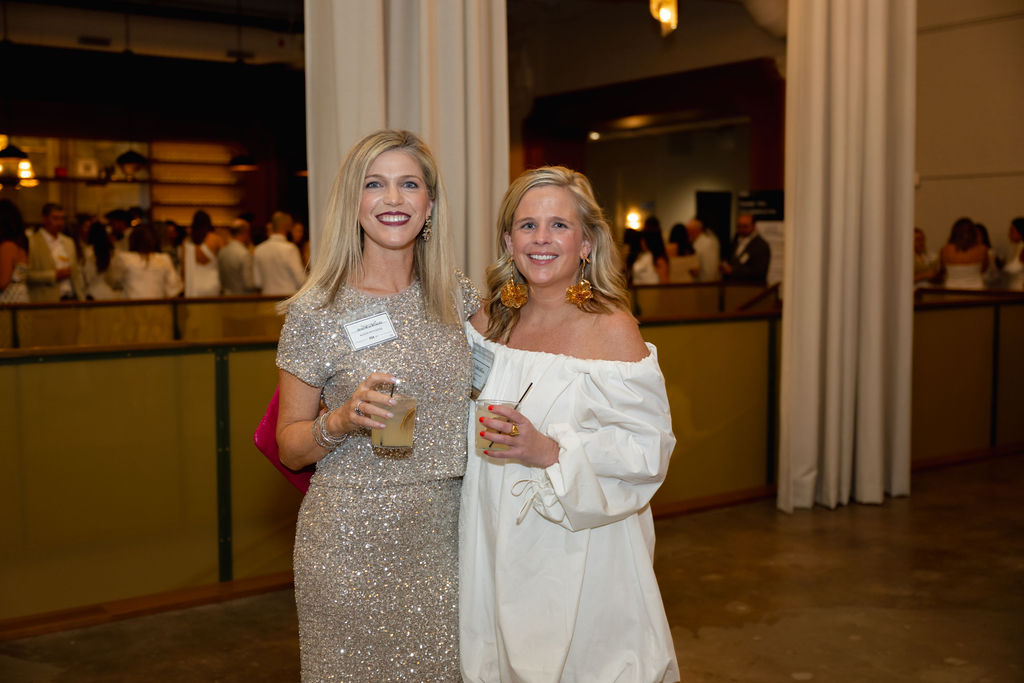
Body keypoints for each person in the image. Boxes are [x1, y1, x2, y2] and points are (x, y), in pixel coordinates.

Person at [460, 166, 678, 682]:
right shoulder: (488, 323)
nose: (541, 238)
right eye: (527, 225)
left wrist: (549, 450)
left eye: (559, 225)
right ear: (508, 242)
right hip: (490, 535)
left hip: (578, 547)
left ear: (586, 243)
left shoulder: (612, 329)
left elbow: (647, 452)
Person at [275, 129, 478, 681]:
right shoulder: (316, 310)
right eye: (374, 184)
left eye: (409, 184)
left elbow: (508, 375)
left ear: (429, 205)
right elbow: (289, 447)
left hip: (448, 538)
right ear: (354, 202)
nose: (393, 199)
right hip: (348, 543)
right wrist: (340, 421)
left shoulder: (457, 297)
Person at [27, 203, 86, 302]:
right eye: (55, 218)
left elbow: (76, 274)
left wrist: (81, 297)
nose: (60, 223)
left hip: (71, 297)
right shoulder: (32, 243)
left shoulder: (68, 242)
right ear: (45, 219)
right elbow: (27, 275)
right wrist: (54, 275)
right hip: (47, 299)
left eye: (62, 218)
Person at [106, 224, 183, 299]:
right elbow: (174, 289)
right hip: (157, 305)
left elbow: (112, 281)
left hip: (132, 305)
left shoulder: (124, 259)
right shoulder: (163, 259)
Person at [253, 210, 306, 295]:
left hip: (266, 298)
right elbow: (301, 280)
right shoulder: (290, 249)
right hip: (287, 297)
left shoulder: (259, 249)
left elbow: (257, 282)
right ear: (288, 227)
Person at [720, 212, 771, 283]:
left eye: (745, 226)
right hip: (734, 285)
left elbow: (759, 272)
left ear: (753, 226)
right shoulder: (736, 240)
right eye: (739, 226)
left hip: (751, 287)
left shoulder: (761, 245)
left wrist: (733, 271)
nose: (741, 229)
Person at [940, 217, 988, 290]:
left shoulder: (945, 250)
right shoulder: (981, 249)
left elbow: (943, 269)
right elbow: (984, 269)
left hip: (952, 288)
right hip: (976, 288)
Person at [182, 210, 222, 297]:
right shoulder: (215, 239)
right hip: (213, 285)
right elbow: (224, 262)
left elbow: (183, 269)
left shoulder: (186, 243)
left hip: (193, 286)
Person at [0, 199, 30, 303]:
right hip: (19, 297)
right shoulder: (19, 244)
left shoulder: (7, 246)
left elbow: (3, 282)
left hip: (9, 299)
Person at [218, 216, 257, 295]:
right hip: (242, 297)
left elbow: (220, 279)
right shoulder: (244, 254)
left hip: (226, 296)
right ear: (245, 232)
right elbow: (248, 284)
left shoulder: (222, 252)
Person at [81, 220, 119, 300]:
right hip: (108, 292)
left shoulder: (88, 252)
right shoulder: (112, 252)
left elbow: (88, 276)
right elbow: (114, 277)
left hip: (92, 293)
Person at [631, 216, 670, 284]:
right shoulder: (642, 255)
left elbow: (664, 283)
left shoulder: (659, 260)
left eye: (644, 239)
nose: (641, 242)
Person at [686, 217, 721, 282]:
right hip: (699, 282)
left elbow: (710, 269)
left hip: (705, 283)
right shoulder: (695, 243)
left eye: (689, 230)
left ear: (696, 230)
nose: (688, 233)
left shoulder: (707, 243)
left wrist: (706, 285)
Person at [1004, 217, 1024, 291]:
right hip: (1013, 287)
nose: (1009, 234)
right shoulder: (1015, 247)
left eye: (1012, 231)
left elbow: (1014, 268)